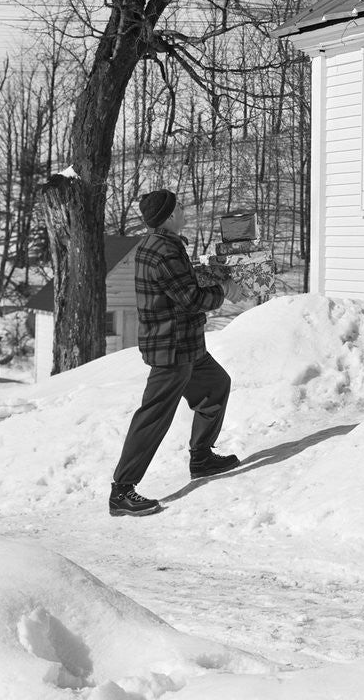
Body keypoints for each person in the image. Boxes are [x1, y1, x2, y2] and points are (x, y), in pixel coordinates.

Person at [109, 189, 245, 517]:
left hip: (187, 344)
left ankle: (201, 457)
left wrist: (212, 274)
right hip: (172, 348)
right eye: (180, 207)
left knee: (215, 386)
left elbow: (180, 285)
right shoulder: (164, 250)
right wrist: (224, 290)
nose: (185, 211)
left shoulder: (163, 245)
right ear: (169, 216)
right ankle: (122, 490)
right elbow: (190, 298)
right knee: (154, 415)